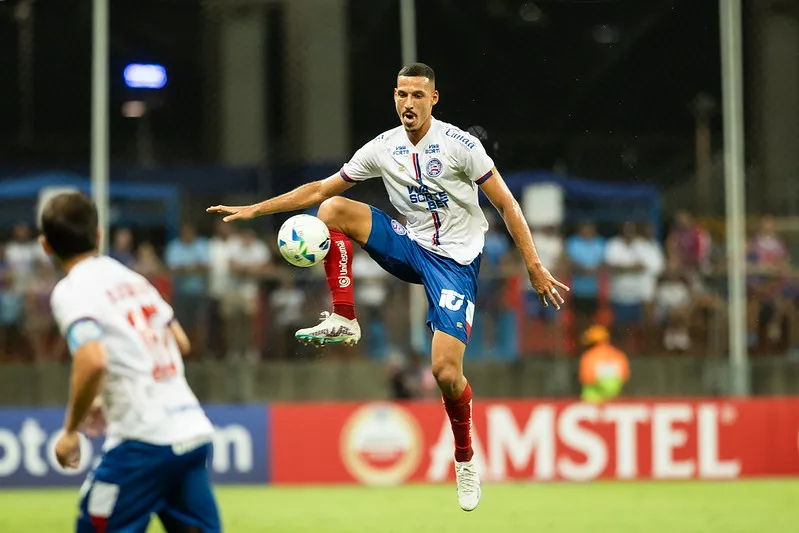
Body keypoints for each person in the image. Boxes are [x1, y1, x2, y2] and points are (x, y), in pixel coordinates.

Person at [208, 62, 568, 511]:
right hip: (410, 245)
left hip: (455, 264)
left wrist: (533, 263)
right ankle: (344, 316)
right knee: (333, 209)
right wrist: (255, 210)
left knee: (445, 373)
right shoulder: (383, 148)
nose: (408, 104)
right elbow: (320, 188)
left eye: (418, 95)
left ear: (433, 99)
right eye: (401, 95)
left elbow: (507, 204)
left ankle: (465, 458)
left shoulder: (461, 147)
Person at [40, 192, 221, 532]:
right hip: (192, 432)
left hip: (144, 443)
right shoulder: (131, 277)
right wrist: (104, 395)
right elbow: (179, 342)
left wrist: (69, 431)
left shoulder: (71, 290)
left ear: (46, 245)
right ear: (98, 235)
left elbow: (92, 360)